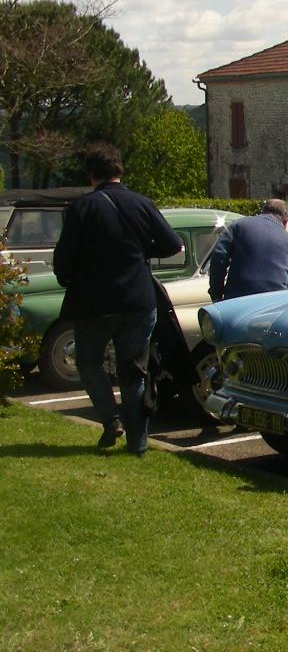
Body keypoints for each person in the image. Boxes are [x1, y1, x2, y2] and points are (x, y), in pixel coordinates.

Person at [53, 142, 184, 455]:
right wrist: (140, 253)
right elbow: (172, 244)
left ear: (91, 175)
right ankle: (138, 444)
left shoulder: (82, 208)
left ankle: (112, 419)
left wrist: (68, 276)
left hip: (94, 301)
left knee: (88, 362)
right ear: (119, 170)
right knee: (133, 371)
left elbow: (64, 259)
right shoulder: (142, 203)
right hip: (138, 299)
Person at [206, 198, 288, 302]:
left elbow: (219, 257)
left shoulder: (239, 225)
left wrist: (216, 294)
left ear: (263, 211)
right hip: (274, 304)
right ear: (286, 220)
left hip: (238, 299)